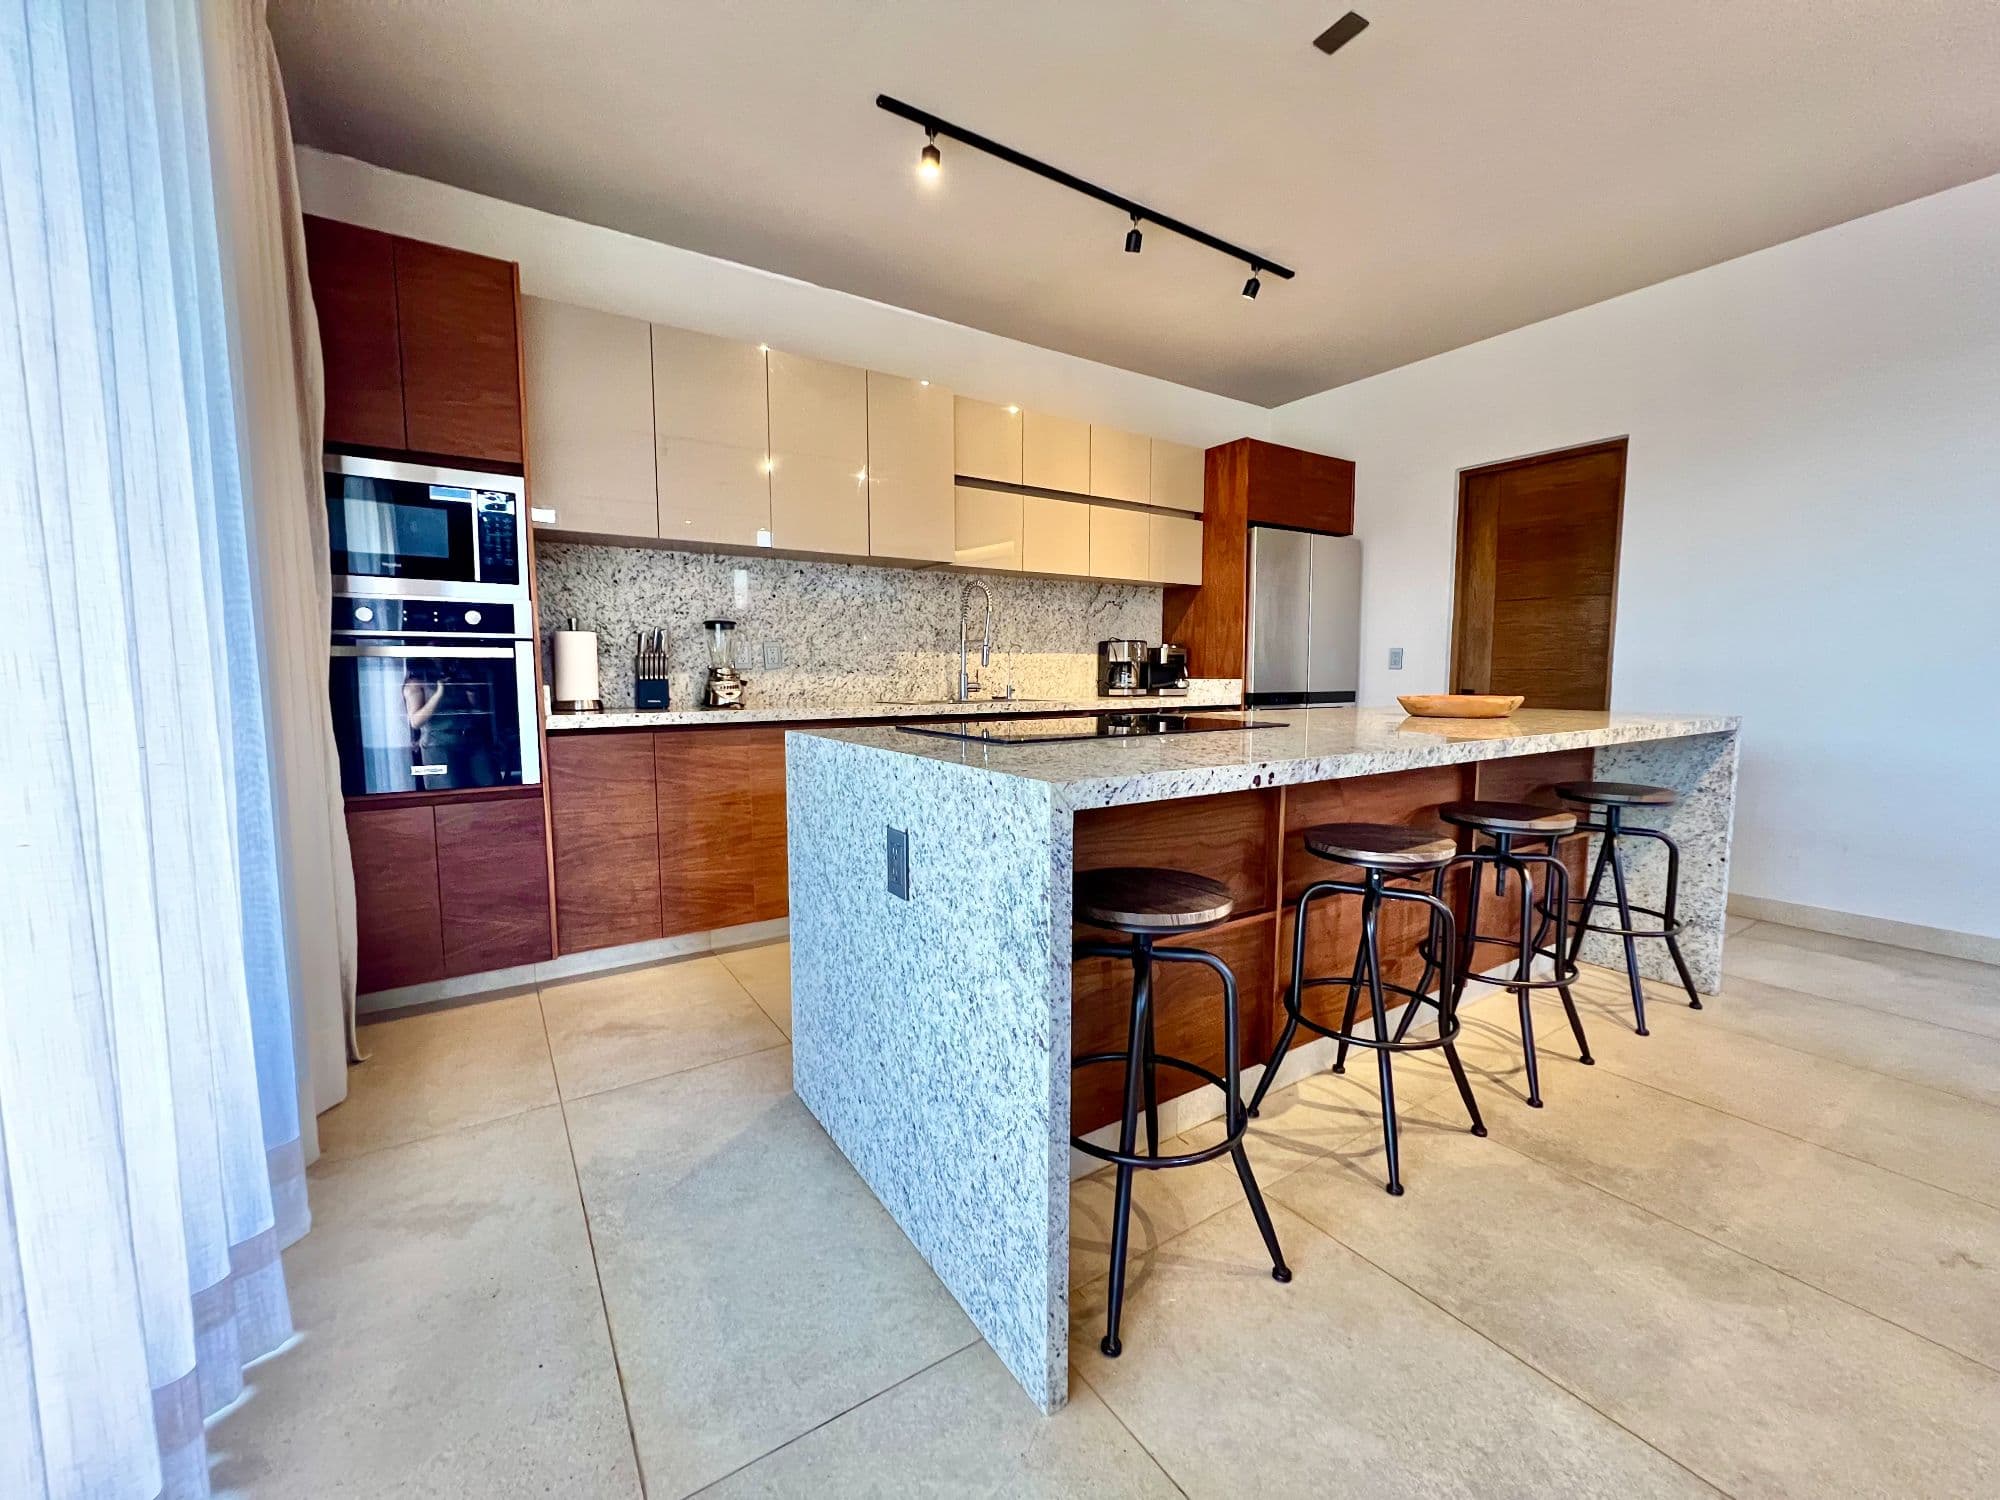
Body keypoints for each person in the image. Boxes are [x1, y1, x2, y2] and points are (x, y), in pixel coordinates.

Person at [402, 661, 499, 789]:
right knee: (448, 793)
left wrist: (471, 694)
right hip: (438, 745)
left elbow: (478, 712)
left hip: (471, 738)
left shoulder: (458, 674)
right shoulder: (416, 682)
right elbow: (416, 721)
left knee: (490, 786)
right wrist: (438, 694)